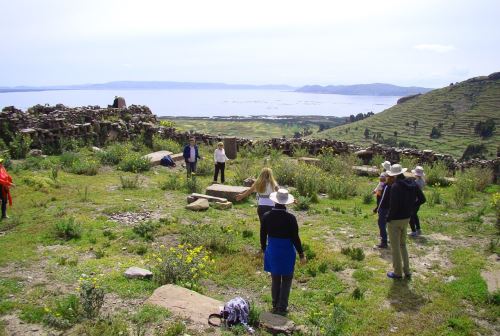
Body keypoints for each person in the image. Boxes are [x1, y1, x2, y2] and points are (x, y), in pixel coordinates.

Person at [261, 188, 306, 315]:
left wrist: (265, 250)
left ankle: (275, 304)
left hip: (273, 250)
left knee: (275, 278)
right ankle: (282, 306)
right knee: (286, 279)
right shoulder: (291, 218)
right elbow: (295, 238)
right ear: (286, 202)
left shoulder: (266, 216)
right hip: (287, 251)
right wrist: (301, 254)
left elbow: (262, 235)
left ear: (274, 201)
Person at [386, 164, 426, 279]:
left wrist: (388, 218)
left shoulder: (396, 186)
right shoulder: (413, 183)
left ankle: (397, 273)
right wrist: (411, 207)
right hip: (406, 218)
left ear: (394, 175)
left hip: (395, 220)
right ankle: (407, 271)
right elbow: (422, 199)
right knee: (403, 245)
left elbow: (393, 206)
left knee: (395, 247)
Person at [373, 172, 391, 248]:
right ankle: (387, 239)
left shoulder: (385, 186)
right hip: (390, 207)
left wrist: (377, 208)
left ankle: (384, 241)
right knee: (387, 223)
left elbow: (382, 199)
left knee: (381, 223)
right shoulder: (393, 185)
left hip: (384, 208)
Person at [409, 166, 426, 237]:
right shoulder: (422, 181)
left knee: (411, 215)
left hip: (415, 200)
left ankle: (414, 231)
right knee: (415, 214)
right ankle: (418, 229)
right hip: (419, 199)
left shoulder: (416, 182)